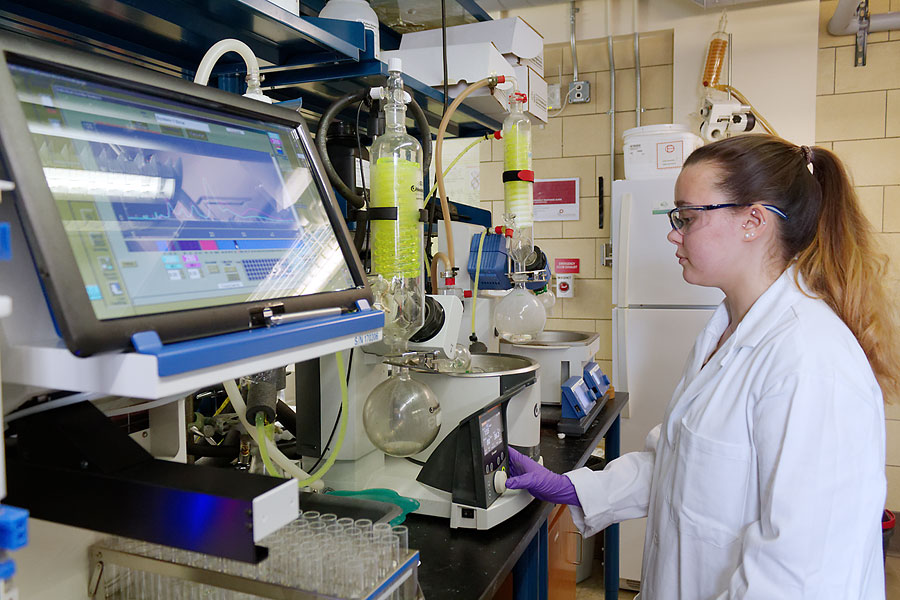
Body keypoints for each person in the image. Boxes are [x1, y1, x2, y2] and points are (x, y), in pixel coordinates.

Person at [505, 134, 900, 599]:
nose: (673, 233)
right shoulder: (726, 332)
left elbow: (801, 579)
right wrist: (576, 489)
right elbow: (679, 463)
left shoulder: (810, 361)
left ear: (753, 220)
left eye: (687, 218)